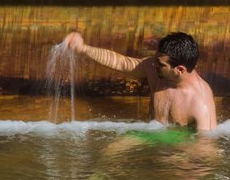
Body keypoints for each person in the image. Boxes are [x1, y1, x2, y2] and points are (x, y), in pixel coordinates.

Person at [62, 31, 217, 131]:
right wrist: (83, 48)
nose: (153, 64)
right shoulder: (156, 68)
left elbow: (205, 150)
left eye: (160, 64)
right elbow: (123, 63)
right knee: (111, 154)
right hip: (153, 135)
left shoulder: (200, 104)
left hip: (180, 148)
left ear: (180, 70)